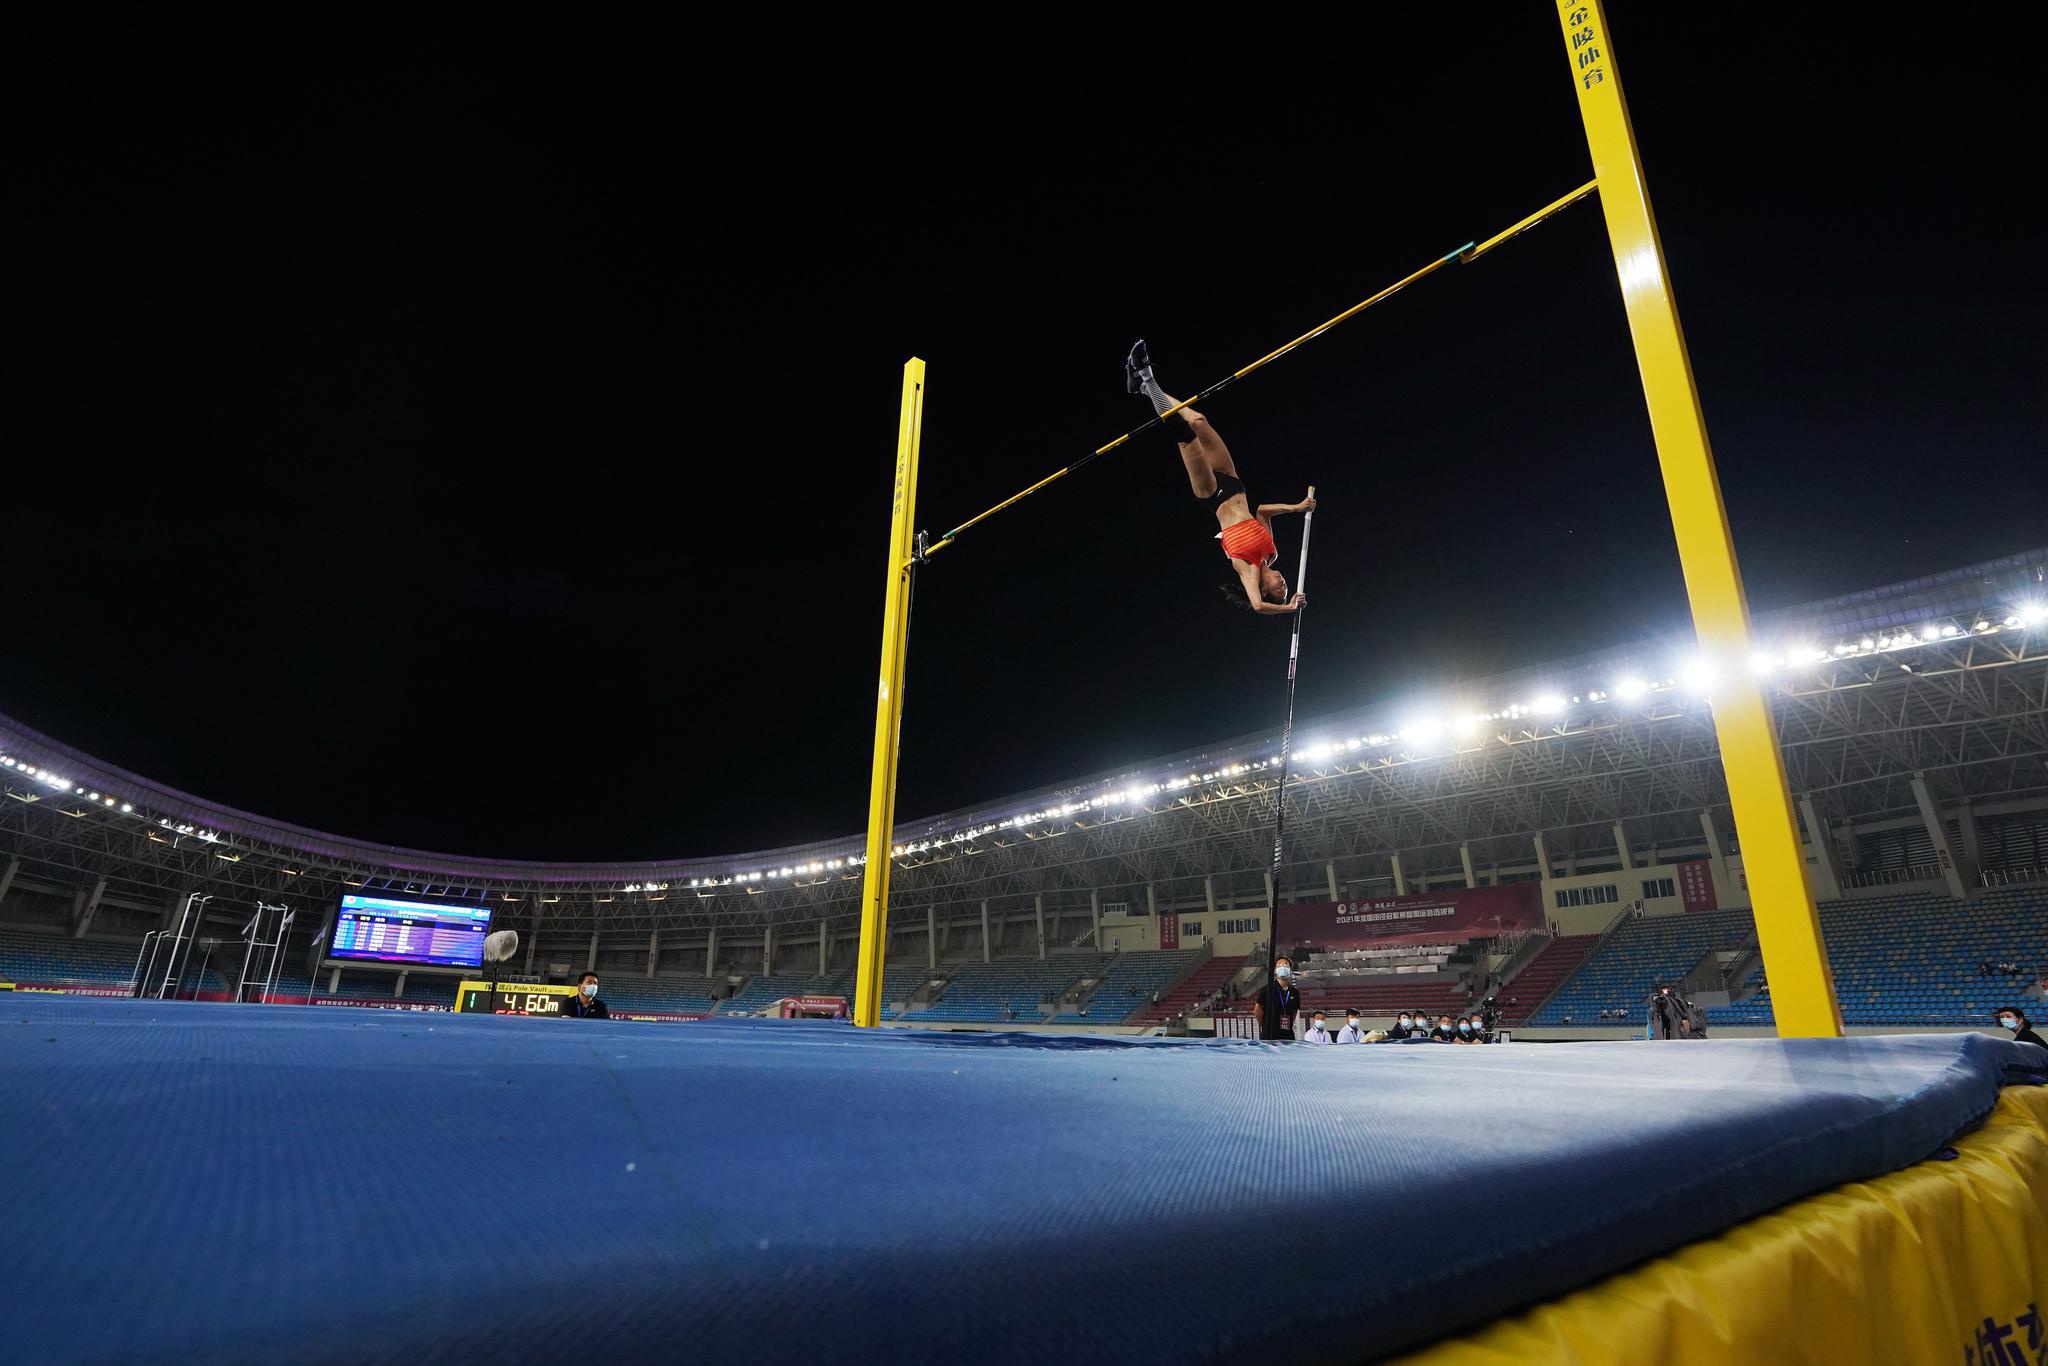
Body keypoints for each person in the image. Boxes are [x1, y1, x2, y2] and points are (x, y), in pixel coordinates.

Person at [1126, 341, 1312, 616]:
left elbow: (1259, 607)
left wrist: (1288, 607)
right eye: (1285, 588)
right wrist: (1298, 507)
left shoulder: (1248, 572)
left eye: (1280, 590)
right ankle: (1143, 388)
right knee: (1199, 421)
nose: (1284, 585)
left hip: (1212, 495)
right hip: (1233, 483)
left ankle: (1145, 375)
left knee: (1185, 436)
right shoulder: (1270, 553)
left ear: (1264, 589)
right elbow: (1262, 511)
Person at [1252, 956, 1301, 1042]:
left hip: (1288, 1036)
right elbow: (1257, 1010)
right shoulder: (1267, 989)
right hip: (1269, 1036)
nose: (1283, 967)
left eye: (1286, 965)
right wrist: (1265, 1025)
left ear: (1290, 970)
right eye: (1279, 965)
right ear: (1274, 971)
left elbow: (1294, 1012)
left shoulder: (1295, 992)